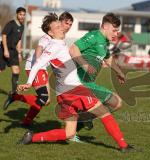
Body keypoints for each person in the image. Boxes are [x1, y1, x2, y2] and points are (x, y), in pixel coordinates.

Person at [17, 13, 135, 153]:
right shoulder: (54, 46)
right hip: (74, 90)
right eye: (58, 26)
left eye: (61, 25)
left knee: (69, 133)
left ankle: (32, 138)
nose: (62, 27)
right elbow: (38, 64)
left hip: (63, 94)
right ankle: (124, 146)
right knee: (105, 112)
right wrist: (29, 83)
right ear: (50, 32)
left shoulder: (60, 44)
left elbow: (44, 62)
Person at [3, 12, 74, 126]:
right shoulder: (48, 37)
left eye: (71, 24)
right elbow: (39, 48)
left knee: (46, 100)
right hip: (34, 66)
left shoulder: (60, 38)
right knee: (44, 98)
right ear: (59, 23)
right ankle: (25, 121)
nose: (68, 26)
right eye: (66, 23)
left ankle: (16, 99)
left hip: (42, 68)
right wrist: (39, 63)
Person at [69, 13, 126, 130]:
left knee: (115, 103)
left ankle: (78, 124)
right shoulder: (94, 36)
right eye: (114, 30)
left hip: (89, 84)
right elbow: (73, 48)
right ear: (105, 26)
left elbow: (108, 58)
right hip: (80, 84)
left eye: (117, 31)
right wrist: (84, 64)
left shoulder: (105, 42)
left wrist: (119, 72)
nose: (116, 34)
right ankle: (82, 120)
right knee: (116, 103)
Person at [0, 7, 26, 94]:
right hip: (4, 48)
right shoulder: (11, 24)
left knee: (16, 70)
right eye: (20, 14)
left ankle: (14, 92)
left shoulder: (22, 27)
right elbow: (4, 36)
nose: (22, 16)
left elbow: (19, 40)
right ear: (17, 14)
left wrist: (19, 53)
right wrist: (5, 50)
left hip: (13, 51)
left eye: (23, 15)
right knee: (1, 69)